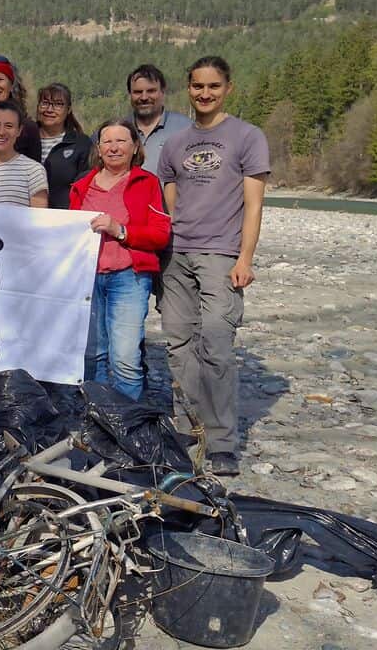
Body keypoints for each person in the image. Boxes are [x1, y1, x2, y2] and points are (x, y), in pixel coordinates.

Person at [159, 57, 270, 478]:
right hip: (177, 256)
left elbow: (255, 204)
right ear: (188, 88)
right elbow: (172, 198)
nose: (205, 93)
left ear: (228, 88)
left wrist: (245, 258)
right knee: (179, 346)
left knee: (218, 346)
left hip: (222, 255)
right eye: (198, 86)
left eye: (214, 86)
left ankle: (222, 443)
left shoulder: (246, 136)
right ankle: (188, 431)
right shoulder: (175, 143)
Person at [70, 119, 170, 402]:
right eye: (107, 142)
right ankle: (98, 419)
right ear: (98, 149)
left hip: (129, 278)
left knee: (125, 358)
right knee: (93, 356)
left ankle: (128, 426)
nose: (114, 147)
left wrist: (121, 231)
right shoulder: (80, 187)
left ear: (134, 146)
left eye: (121, 141)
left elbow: (160, 235)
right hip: (88, 281)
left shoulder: (147, 183)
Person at [125, 64, 192, 176]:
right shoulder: (118, 130)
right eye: (138, 92)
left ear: (163, 92)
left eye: (151, 91)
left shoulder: (186, 128)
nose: (144, 97)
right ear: (130, 94)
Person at [36, 83, 94, 209]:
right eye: (45, 103)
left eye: (58, 104)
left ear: (68, 110)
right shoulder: (23, 138)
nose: (49, 109)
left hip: (63, 218)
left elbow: (86, 187)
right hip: (23, 216)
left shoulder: (81, 144)